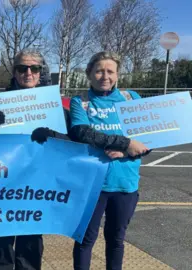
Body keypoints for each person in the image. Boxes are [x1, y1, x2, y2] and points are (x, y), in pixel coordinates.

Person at [0, 48, 68, 270]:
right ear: (14, 72)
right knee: (0, 238)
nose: (28, 72)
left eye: (34, 68)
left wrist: (53, 134)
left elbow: (70, 141)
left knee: (30, 240)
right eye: (22, 68)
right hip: (4, 182)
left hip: (36, 182)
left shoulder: (52, 104)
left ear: (41, 72)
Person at [69, 52, 149, 270]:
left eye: (110, 71)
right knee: (84, 240)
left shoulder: (131, 98)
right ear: (89, 74)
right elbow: (83, 133)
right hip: (92, 185)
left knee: (116, 240)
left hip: (125, 184)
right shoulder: (81, 102)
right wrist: (123, 143)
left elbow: (148, 140)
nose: (105, 76)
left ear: (117, 74)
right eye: (99, 71)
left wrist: (127, 152)